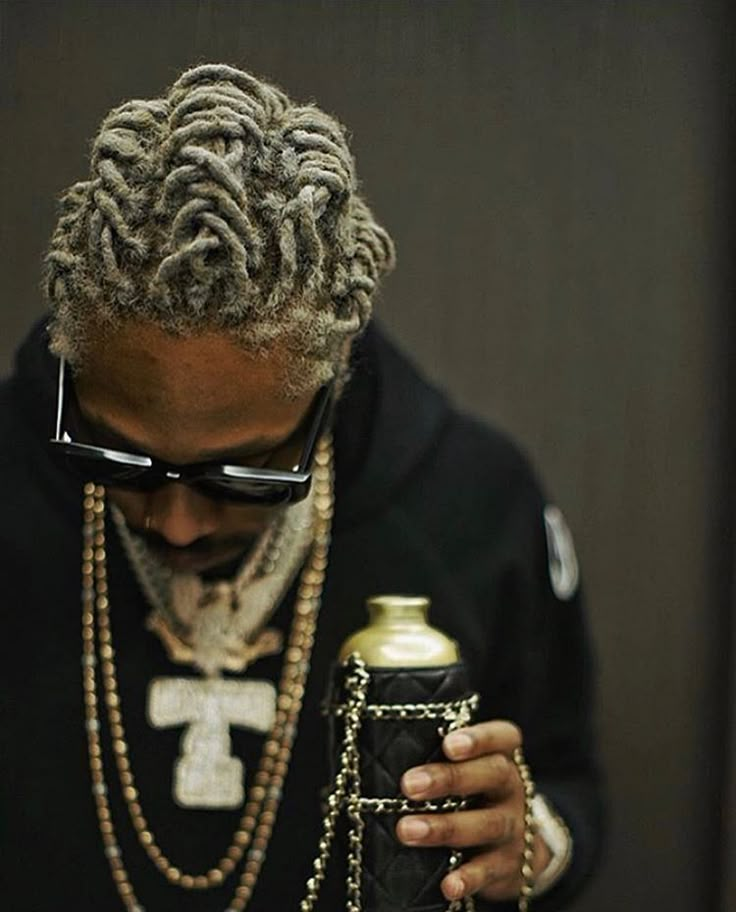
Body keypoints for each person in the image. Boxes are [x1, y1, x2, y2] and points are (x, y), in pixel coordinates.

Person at [0, 63, 604, 911]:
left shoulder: (476, 502)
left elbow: (573, 779)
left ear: (327, 394)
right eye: (119, 458)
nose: (175, 524)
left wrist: (527, 841)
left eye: (243, 472)